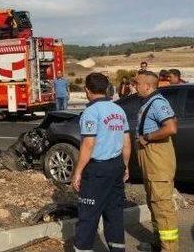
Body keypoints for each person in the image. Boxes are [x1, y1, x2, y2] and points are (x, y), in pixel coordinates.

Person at [71, 72, 131, 252]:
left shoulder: (91, 111)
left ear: (87, 90)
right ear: (106, 89)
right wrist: (126, 166)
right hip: (116, 167)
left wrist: (78, 171)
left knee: (88, 215)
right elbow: (126, 141)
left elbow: (89, 143)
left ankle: (82, 248)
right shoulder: (118, 110)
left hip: (97, 170)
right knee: (114, 213)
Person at [134, 70, 179, 252]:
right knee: (154, 202)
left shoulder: (157, 102)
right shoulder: (150, 102)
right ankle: (159, 244)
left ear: (147, 86)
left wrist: (148, 137)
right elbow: (174, 118)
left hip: (157, 157)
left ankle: (169, 249)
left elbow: (171, 127)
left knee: (162, 206)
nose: (133, 86)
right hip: (151, 157)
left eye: (136, 83)